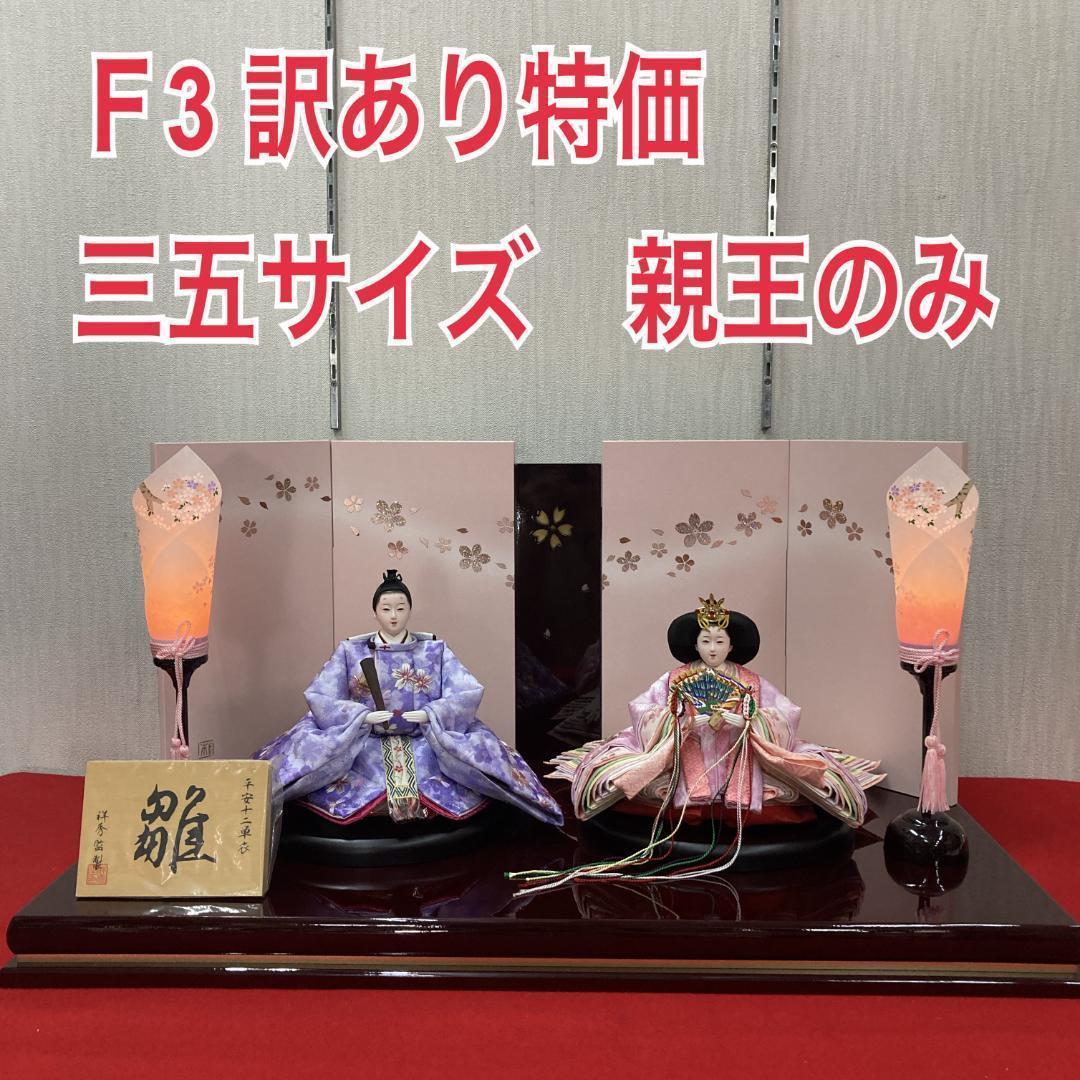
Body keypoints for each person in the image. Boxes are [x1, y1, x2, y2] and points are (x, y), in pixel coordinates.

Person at [548, 593, 883, 830]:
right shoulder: (675, 678)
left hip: (739, 752)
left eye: (719, 642)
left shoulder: (749, 680)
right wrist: (680, 722)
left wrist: (750, 722)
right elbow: (643, 709)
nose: (712, 649)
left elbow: (785, 712)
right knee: (633, 782)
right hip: (685, 751)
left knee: (793, 785)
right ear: (694, 645)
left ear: (731, 646)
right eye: (705, 641)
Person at [255, 569, 562, 827]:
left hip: (425, 738)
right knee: (314, 754)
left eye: (400, 608)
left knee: (473, 755)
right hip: (364, 741)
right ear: (375, 611)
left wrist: (432, 713)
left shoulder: (434, 649)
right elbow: (320, 694)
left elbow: (466, 691)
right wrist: (361, 716)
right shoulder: (351, 651)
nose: (393, 616)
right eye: (386, 609)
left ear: (410, 610)